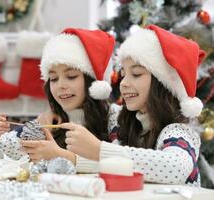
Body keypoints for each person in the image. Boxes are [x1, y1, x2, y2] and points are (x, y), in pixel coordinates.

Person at [58, 24, 206, 185]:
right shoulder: (128, 125)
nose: (123, 84)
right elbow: (103, 113)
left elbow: (175, 168)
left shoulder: (178, 131)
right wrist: (57, 113)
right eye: (123, 74)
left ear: (163, 83)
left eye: (136, 74)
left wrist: (100, 150)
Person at [0, 28, 117, 172]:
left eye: (71, 76)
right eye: (53, 78)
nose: (60, 86)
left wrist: (62, 156)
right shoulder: (46, 123)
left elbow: (127, 163)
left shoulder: (115, 117)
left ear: (93, 81)